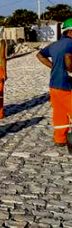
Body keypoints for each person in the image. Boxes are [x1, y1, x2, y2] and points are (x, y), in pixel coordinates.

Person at [36, 18, 72, 147]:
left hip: (54, 85)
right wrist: (70, 71)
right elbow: (68, 57)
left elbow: (39, 55)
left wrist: (54, 66)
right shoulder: (71, 44)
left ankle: (60, 139)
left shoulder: (55, 44)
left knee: (59, 113)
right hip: (67, 85)